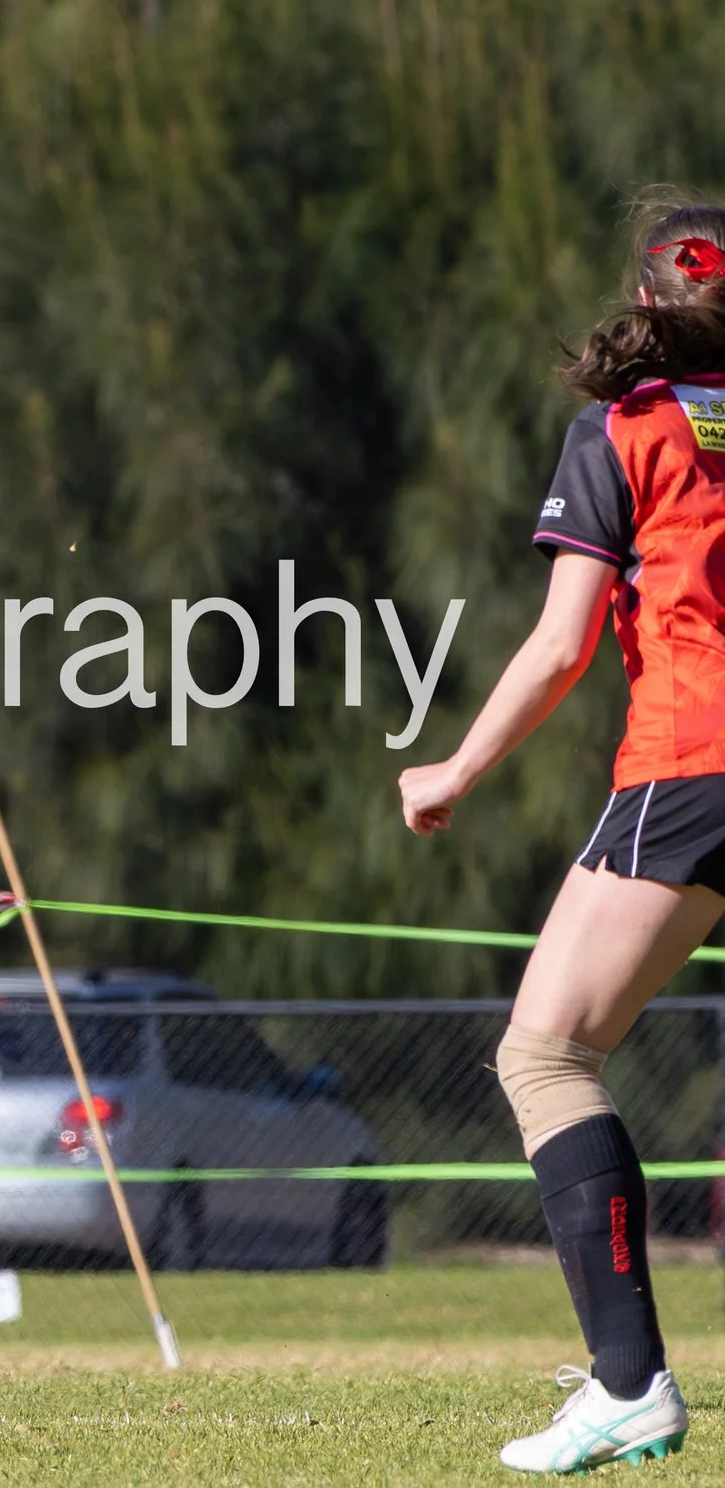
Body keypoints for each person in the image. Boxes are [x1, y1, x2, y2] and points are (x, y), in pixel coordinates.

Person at [399, 201, 725, 1472]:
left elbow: (559, 643)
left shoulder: (624, 427)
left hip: (693, 763)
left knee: (545, 1054)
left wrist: (453, 769)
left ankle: (628, 1381)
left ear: (643, 304)